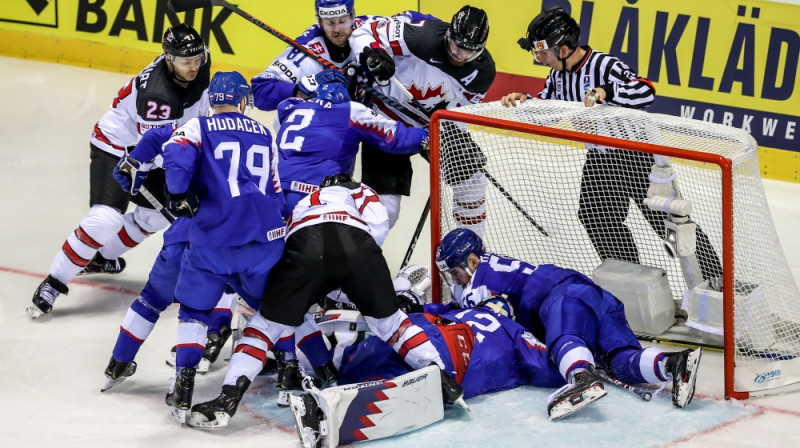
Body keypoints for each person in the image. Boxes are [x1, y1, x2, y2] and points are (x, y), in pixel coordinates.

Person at [186, 174, 460, 430]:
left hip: (306, 247)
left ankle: (228, 397)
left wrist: (316, 286)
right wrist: (358, 283)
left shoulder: (306, 201)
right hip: (357, 245)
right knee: (392, 324)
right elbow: (377, 230)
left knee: (266, 325)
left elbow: (289, 239)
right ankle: (442, 377)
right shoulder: (362, 191)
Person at [500, 7, 723, 285]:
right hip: (601, 159)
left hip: (638, 157)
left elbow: (645, 90)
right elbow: (548, 103)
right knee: (595, 216)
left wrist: (608, 91)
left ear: (565, 49)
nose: (539, 59)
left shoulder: (604, 65)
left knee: (668, 223)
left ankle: (717, 281)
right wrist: (525, 100)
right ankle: (633, 283)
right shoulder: (557, 76)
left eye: (542, 53)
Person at [28, 23, 212, 319]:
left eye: (197, 59)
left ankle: (100, 259)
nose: (194, 66)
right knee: (105, 219)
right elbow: (156, 148)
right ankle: (54, 282)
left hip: (155, 146)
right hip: (119, 150)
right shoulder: (156, 97)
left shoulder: (199, 60)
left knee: (158, 214)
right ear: (168, 59)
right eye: (186, 61)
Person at [434, 228, 703, 419]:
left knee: (565, 340)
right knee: (618, 360)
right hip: (596, 299)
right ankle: (674, 364)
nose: (452, 281)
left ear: (472, 261)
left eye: (454, 274)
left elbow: (481, 318)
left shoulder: (481, 281)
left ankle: (581, 378)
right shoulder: (485, 270)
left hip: (562, 295)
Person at [159, 71, 286, 423]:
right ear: (244, 101)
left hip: (213, 242)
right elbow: (276, 188)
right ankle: (290, 373)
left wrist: (180, 194)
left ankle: (183, 385)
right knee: (275, 310)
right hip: (263, 243)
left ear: (213, 99)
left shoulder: (199, 127)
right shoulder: (265, 133)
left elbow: (175, 157)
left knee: (195, 312)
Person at [99, 126, 238, 392]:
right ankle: (188, 382)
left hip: (180, 235)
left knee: (150, 302)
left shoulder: (197, 129)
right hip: (220, 240)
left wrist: (133, 164)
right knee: (203, 305)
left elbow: (155, 137)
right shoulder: (257, 138)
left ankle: (117, 364)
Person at [348, 5, 496, 231]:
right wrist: (372, 53)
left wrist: (453, 133)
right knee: (385, 209)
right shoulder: (422, 37)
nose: (459, 54)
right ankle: (361, 257)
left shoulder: (482, 74)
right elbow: (362, 32)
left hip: (432, 128)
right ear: (449, 33)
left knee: (473, 182)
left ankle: (469, 251)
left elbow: (461, 113)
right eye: (456, 45)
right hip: (388, 119)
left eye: (468, 51)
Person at [274, 78, 429, 217]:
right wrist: (430, 134)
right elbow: (396, 138)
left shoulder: (289, 107)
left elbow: (278, 125)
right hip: (319, 196)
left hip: (276, 191)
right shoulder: (351, 111)